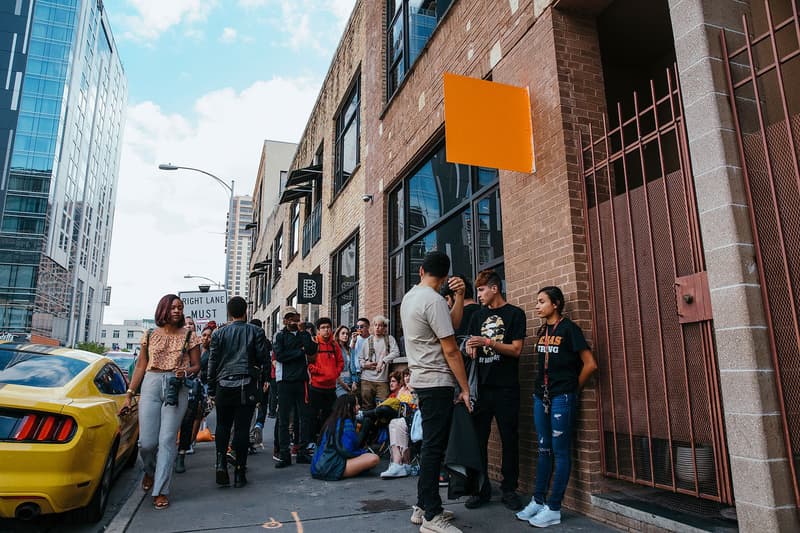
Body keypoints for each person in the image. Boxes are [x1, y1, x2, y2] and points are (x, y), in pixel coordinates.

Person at [401, 251, 471, 533]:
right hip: (436, 381)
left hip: (422, 380)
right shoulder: (433, 301)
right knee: (434, 447)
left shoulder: (412, 297)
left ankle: (423, 505)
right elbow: (451, 348)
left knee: (431, 445)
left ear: (420, 271)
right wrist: (465, 388)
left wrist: (457, 299)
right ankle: (431, 516)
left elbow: (451, 323)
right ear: (444, 277)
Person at [516, 286, 597, 528]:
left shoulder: (569, 329)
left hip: (562, 398)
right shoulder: (543, 330)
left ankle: (554, 507)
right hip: (541, 398)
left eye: (542, 301)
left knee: (561, 453)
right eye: (537, 301)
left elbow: (590, 364)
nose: (537, 305)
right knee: (544, 449)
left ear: (556, 304)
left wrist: (573, 389)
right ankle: (538, 500)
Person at [122, 294, 201, 511]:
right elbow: (140, 366)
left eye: (180, 307)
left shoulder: (190, 336)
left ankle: (161, 490)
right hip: (151, 383)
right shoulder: (149, 334)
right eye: (173, 307)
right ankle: (150, 471)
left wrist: (185, 371)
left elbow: (197, 366)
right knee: (146, 443)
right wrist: (129, 394)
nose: (177, 311)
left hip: (177, 386)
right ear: (163, 309)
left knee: (166, 440)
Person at [461, 269, 526, 510]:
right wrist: (470, 345)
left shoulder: (515, 314)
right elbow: (469, 344)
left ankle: (509, 489)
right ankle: (480, 490)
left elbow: (517, 350)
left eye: (481, 290)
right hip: (481, 388)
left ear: (494, 288)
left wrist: (488, 342)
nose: (478, 295)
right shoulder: (477, 317)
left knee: (510, 439)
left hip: (506, 387)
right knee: (478, 441)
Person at [207, 296, 269, 488]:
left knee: (223, 426)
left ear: (229, 313)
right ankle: (240, 472)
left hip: (224, 384)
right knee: (242, 429)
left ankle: (220, 464)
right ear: (246, 312)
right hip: (246, 384)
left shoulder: (218, 334)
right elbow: (264, 359)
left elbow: (213, 362)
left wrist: (211, 388)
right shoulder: (256, 331)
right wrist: (263, 378)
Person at [274, 306, 318, 468]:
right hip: (285, 381)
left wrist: (303, 333)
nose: (292, 320)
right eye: (289, 317)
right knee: (284, 419)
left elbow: (313, 350)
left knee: (304, 418)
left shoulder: (303, 334)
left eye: (295, 317)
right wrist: (299, 352)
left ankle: (302, 452)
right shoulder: (279, 336)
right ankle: (284, 453)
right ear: (284, 320)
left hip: (302, 380)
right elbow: (280, 356)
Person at [310, 395, 380, 481]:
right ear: (349, 407)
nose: (359, 407)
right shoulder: (346, 423)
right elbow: (347, 450)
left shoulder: (332, 420)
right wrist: (363, 453)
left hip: (317, 467)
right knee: (373, 458)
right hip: (329, 467)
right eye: (357, 404)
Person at [175, 324, 213, 473]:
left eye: (191, 324)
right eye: (186, 324)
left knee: (192, 417)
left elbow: (199, 367)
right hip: (178, 385)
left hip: (197, 386)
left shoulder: (205, 350)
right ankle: (177, 446)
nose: (206, 338)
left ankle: (185, 449)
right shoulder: (179, 344)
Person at [307, 317, 344, 444]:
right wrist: (320, 372)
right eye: (323, 328)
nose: (326, 330)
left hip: (331, 387)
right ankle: (312, 441)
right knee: (313, 415)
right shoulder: (314, 343)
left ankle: (325, 439)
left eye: (328, 327)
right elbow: (309, 364)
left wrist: (335, 373)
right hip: (316, 386)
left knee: (328, 415)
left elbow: (340, 362)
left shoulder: (334, 345)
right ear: (318, 330)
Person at [380, 369, 418, 479]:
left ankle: (399, 463)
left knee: (397, 423)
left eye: (409, 375)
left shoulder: (417, 389)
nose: (407, 378)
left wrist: (412, 390)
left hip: (415, 418)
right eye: (405, 375)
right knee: (393, 422)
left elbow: (418, 404)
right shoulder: (401, 390)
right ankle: (401, 463)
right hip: (402, 417)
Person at [359, 315, 400, 410]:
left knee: (383, 407)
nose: (377, 328)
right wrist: (365, 365)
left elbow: (396, 352)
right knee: (367, 407)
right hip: (366, 380)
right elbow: (360, 359)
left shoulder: (389, 339)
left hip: (382, 380)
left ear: (385, 327)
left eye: (380, 325)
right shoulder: (367, 341)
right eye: (375, 325)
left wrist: (383, 360)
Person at [249, 318, 273, 448]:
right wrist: (268, 380)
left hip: (250, 379)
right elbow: (267, 362)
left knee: (251, 406)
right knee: (263, 405)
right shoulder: (266, 343)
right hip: (263, 379)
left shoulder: (248, 341)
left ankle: (251, 435)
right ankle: (259, 425)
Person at [440, 274, 480, 339]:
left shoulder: (456, 319)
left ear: (455, 295)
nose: (447, 304)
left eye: (447, 299)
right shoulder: (484, 312)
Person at [335, 325, 359, 397]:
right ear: (338, 335)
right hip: (339, 383)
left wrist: (354, 381)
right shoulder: (335, 349)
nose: (345, 335)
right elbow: (333, 369)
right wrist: (342, 384)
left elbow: (353, 367)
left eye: (347, 334)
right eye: (343, 333)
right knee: (344, 402)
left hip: (350, 381)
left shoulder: (349, 350)